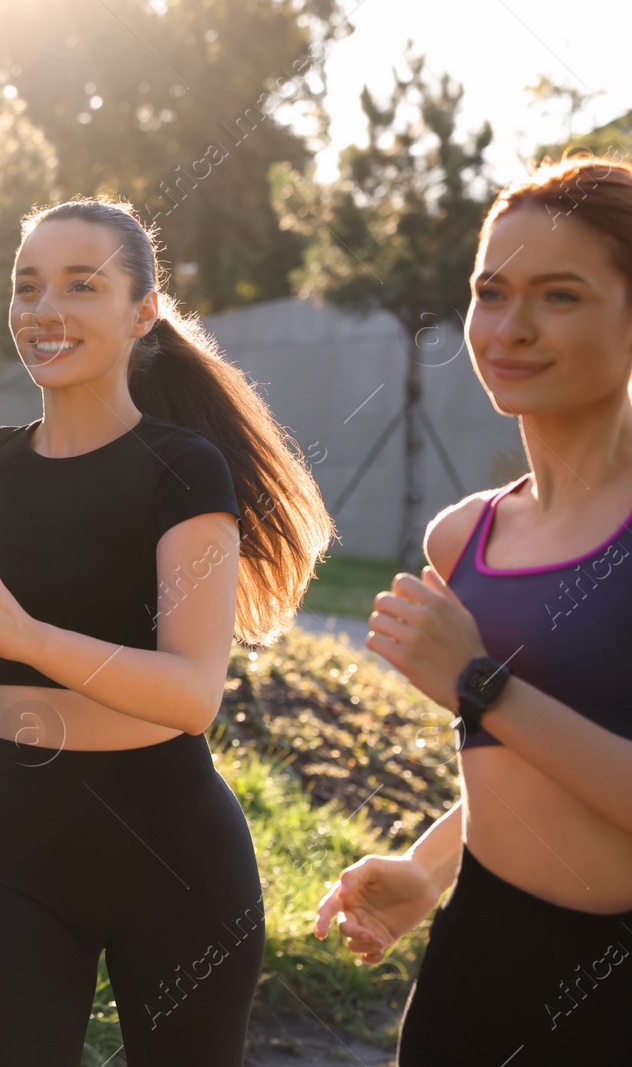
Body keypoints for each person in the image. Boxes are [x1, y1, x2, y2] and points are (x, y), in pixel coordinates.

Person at [0, 196, 333, 1066]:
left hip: (173, 859)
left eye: (82, 286)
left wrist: (27, 635)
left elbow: (191, 693)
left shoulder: (184, 470)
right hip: (18, 848)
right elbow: (4, 656)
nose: (46, 310)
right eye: (27, 286)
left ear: (142, 312)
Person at [316, 154, 632, 1065]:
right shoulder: (466, 537)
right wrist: (427, 866)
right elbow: (512, 770)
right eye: (491, 292)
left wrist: (477, 684)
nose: (511, 328)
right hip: (476, 963)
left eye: (560, 296)